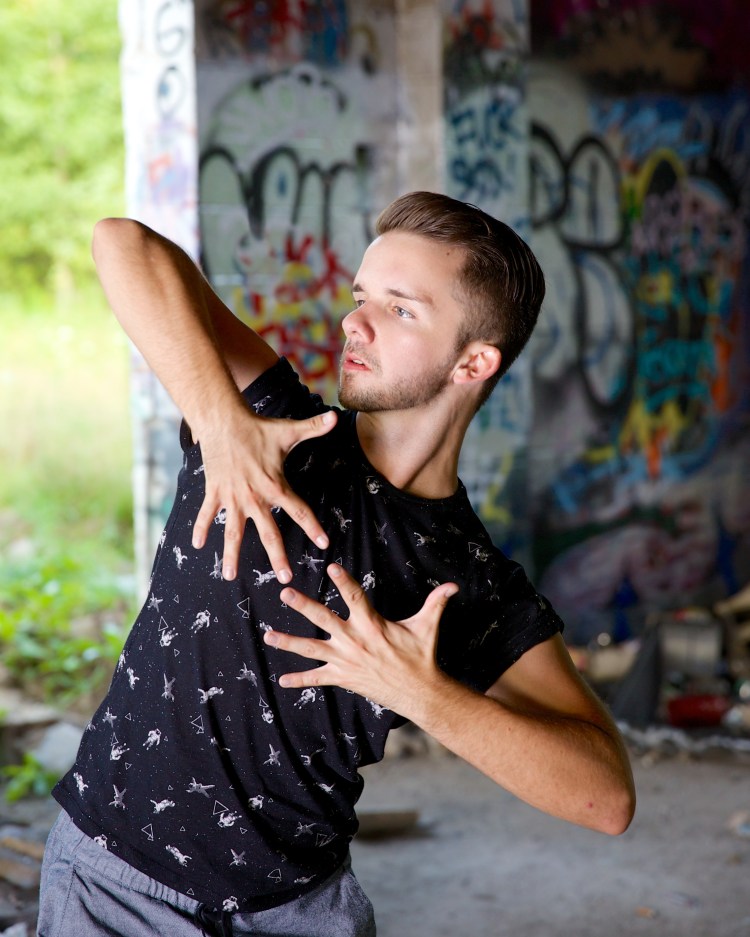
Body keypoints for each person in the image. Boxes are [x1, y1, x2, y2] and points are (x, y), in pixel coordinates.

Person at [38, 192, 635, 937]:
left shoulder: (468, 578)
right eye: (360, 298)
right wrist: (221, 424)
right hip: (114, 886)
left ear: (474, 361)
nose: (355, 322)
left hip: (301, 911)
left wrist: (421, 692)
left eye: (399, 308)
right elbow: (122, 242)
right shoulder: (275, 424)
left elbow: (606, 798)